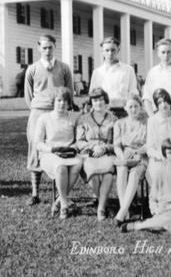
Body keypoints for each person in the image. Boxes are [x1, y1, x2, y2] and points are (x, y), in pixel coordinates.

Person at [25, 34, 74, 206]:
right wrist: (37, 108)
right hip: (38, 112)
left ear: (55, 47)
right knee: (35, 147)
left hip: (58, 112)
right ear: (39, 48)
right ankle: (35, 193)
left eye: (50, 47)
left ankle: (60, 192)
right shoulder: (32, 69)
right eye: (44, 47)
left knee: (58, 144)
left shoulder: (64, 68)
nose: (47, 50)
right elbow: (28, 95)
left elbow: (69, 92)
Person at [120, 138, 171, 236]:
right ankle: (167, 228)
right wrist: (155, 210)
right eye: (170, 152)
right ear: (165, 154)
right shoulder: (160, 173)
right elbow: (152, 198)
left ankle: (141, 226)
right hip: (163, 211)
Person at [34, 87, 82, 220]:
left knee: (78, 164)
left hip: (70, 153)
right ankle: (64, 204)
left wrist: (72, 148)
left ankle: (59, 200)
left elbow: (79, 140)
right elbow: (37, 143)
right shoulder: (44, 118)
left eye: (65, 101)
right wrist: (52, 150)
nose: (61, 103)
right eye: (58, 100)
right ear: (53, 102)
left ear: (69, 102)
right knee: (61, 167)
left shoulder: (74, 117)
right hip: (50, 154)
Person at [76, 88, 118, 221]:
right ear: (91, 103)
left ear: (105, 101)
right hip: (89, 153)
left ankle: (100, 208)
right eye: (95, 100)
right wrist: (93, 146)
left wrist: (104, 147)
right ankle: (104, 205)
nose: (98, 103)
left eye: (101, 100)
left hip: (107, 153)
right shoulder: (83, 119)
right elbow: (79, 141)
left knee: (108, 171)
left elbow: (118, 142)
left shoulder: (113, 118)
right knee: (92, 170)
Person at [113, 94, 149, 226]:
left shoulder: (146, 122)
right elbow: (116, 145)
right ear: (125, 108)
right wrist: (122, 156)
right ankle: (125, 210)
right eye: (130, 107)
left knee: (134, 174)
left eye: (136, 106)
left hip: (141, 155)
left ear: (140, 107)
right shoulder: (119, 123)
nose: (133, 109)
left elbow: (148, 144)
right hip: (124, 156)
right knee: (122, 170)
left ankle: (122, 212)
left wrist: (135, 152)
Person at [89, 37, 139, 119]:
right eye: (107, 50)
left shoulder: (128, 70)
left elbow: (133, 93)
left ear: (118, 50)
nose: (110, 53)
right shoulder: (97, 72)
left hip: (124, 112)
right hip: (104, 112)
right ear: (102, 51)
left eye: (113, 50)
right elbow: (92, 94)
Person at [142, 38, 171, 116]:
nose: (166, 55)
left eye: (169, 52)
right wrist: (152, 118)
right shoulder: (152, 73)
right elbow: (147, 98)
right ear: (158, 53)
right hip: (158, 114)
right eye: (163, 52)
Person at [146, 89, 171, 182]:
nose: (163, 105)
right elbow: (149, 148)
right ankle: (158, 196)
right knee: (157, 174)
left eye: (165, 101)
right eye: (159, 103)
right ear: (156, 105)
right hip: (158, 158)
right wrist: (160, 156)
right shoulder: (152, 121)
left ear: (170, 102)